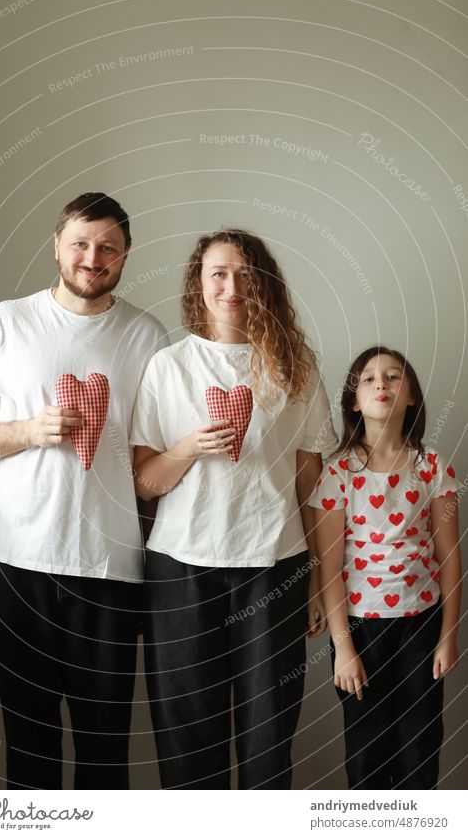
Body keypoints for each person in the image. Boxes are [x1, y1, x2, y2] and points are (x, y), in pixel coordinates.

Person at [0, 192, 167, 790]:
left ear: (125, 256)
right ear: (58, 247)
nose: (94, 257)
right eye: (81, 244)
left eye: (108, 247)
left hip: (112, 570)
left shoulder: (148, 335)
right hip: (16, 564)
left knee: (104, 752)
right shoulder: (7, 322)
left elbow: (154, 466)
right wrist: (27, 431)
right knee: (30, 745)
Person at [130, 228, 338, 789]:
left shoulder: (295, 368)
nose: (232, 286)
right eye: (219, 273)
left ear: (262, 283)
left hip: (274, 566)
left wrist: (320, 579)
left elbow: (310, 484)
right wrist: (189, 448)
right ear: (199, 285)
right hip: (180, 569)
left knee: (268, 739)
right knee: (186, 741)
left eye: (246, 274)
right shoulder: (167, 367)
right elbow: (146, 482)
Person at [309, 346, 462, 789]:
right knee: (366, 743)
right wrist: (343, 649)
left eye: (394, 377)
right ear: (354, 401)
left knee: (420, 741)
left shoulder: (432, 467)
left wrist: (448, 637)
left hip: (422, 624)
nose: (382, 384)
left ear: (411, 395)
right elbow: (330, 569)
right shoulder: (338, 473)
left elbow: (450, 559)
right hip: (360, 628)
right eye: (369, 379)